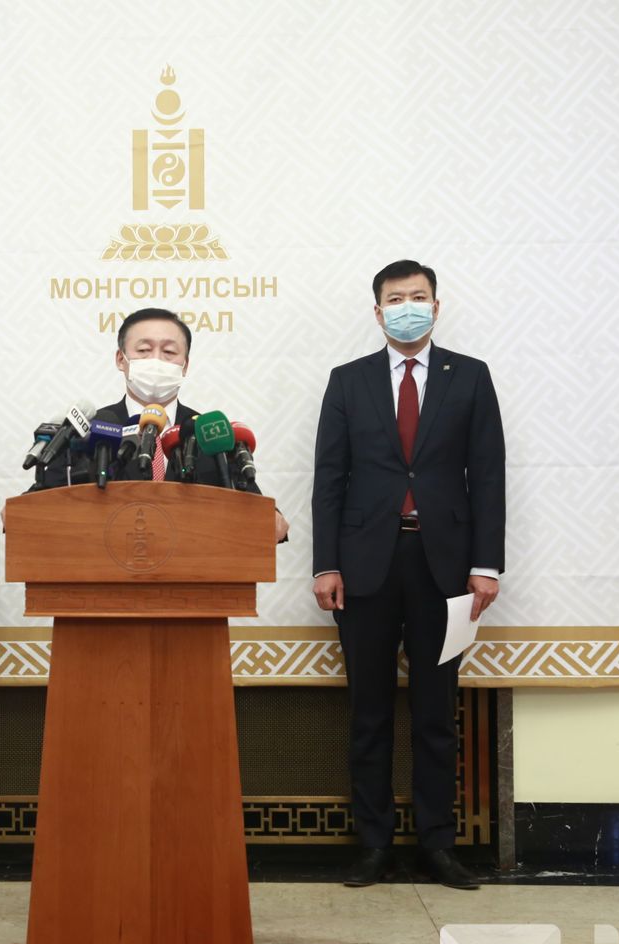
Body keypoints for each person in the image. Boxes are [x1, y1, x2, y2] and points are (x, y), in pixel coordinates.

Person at [310, 260, 505, 891]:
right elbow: (328, 480)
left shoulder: (470, 378)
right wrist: (326, 564)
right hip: (365, 567)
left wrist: (485, 566)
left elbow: (489, 477)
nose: (407, 307)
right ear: (378, 312)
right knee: (368, 712)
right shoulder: (348, 382)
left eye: (418, 297)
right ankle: (372, 844)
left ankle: (438, 845)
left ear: (436, 306)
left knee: (435, 713)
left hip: (444, 568)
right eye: (396, 299)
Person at [28, 307, 290, 544]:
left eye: (169, 352)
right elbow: (35, 508)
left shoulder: (210, 432)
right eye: (143, 351)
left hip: (196, 583)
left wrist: (272, 520)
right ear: (121, 359)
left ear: (185, 365)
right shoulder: (90, 430)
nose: (156, 360)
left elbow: (262, 515)